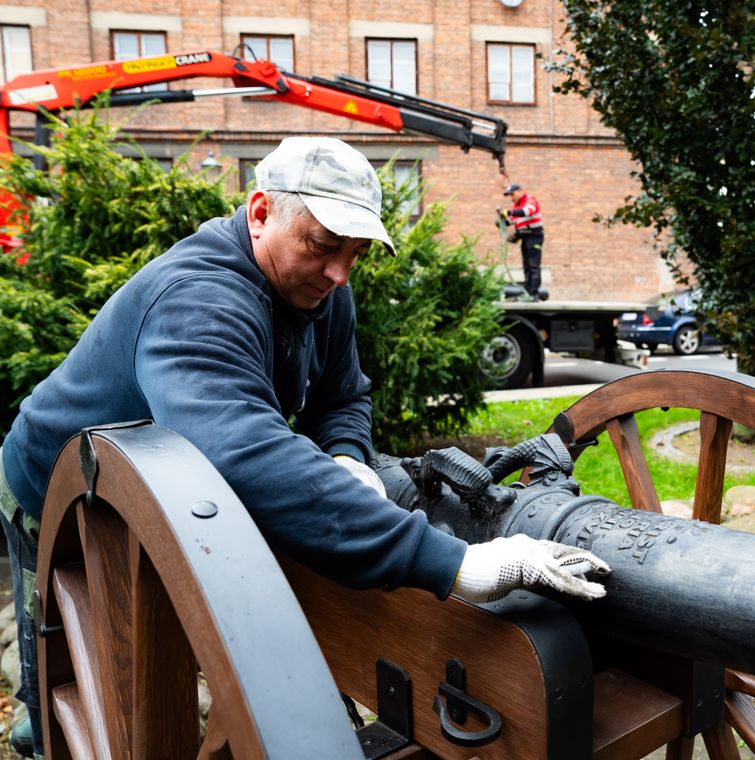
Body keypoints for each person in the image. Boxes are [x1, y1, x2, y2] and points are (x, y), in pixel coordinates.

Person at [0, 137, 607, 758]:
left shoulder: (322, 288)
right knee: (63, 656)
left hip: (159, 482)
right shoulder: (197, 301)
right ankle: (39, 727)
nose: (340, 274)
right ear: (260, 213)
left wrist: (346, 457)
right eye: (321, 245)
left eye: (355, 253)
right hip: (53, 482)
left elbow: (343, 394)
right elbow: (243, 457)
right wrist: (456, 566)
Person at [499, 181, 544, 299]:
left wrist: (508, 212)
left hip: (534, 236)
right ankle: (527, 292)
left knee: (533, 265)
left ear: (520, 191)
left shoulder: (530, 200)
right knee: (526, 265)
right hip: (525, 236)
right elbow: (512, 220)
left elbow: (527, 211)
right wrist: (501, 221)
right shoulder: (517, 206)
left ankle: (534, 294)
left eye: (512, 194)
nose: (511, 198)